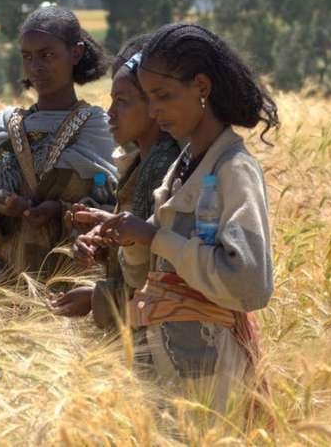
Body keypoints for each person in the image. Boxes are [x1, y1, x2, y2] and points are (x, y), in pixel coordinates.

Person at [78, 23, 278, 412]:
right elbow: (146, 278)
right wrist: (131, 241)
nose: (154, 110)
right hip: (166, 380)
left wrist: (155, 238)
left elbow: (250, 285)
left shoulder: (233, 169)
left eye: (163, 96)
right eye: (149, 97)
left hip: (212, 385)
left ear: (201, 87)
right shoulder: (181, 169)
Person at [0, 5, 117, 287]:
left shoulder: (99, 129)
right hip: (8, 294)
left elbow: (122, 215)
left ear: (76, 53)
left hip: (77, 294)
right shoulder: (1, 131)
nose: (36, 67)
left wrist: (59, 211)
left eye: (47, 55)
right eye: (27, 57)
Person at [49, 34, 180, 327]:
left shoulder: (163, 171)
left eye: (121, 101)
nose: (109, 114)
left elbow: (162, 280)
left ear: (154, 104)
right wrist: (105, 240)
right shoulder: (140, 164)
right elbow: (142, 248)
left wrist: (95, 297)